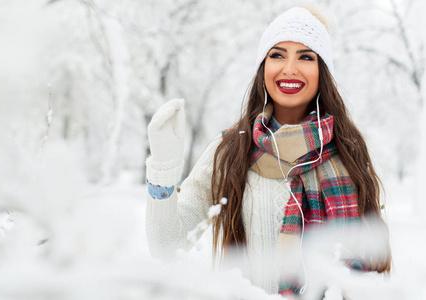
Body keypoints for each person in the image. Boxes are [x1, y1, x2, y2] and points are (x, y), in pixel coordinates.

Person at [145, 6, 391, 297]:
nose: (289, 68)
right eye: (277, 54)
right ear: (263, 67)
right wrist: (163, 166)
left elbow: (371, 271)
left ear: (322, 70)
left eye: (306, 57)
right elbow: (167, 245)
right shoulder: (229, 152)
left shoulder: (348, 154)